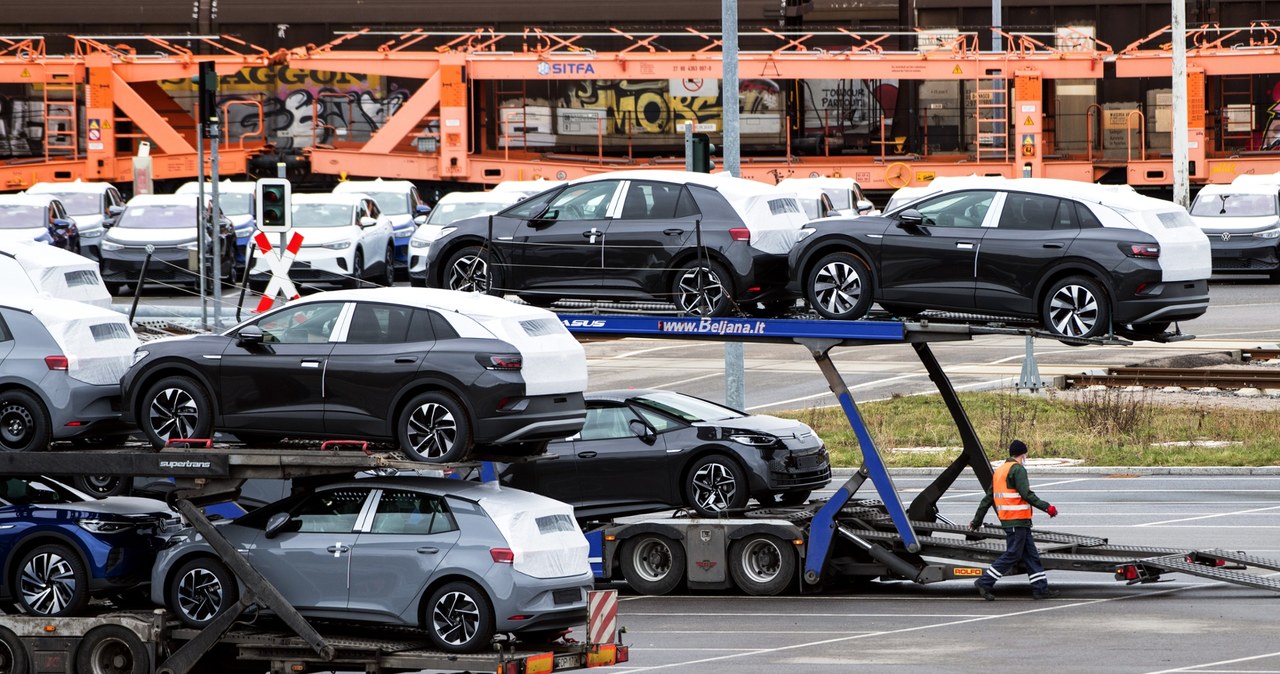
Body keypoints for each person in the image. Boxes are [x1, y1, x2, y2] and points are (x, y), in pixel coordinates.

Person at [969, 439, 1061, 601]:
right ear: (1023, 454)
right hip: (1016, 521)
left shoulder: (1000, 471)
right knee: (1013, 554)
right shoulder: (1017, 470)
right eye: (1026, 454)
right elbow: (1026, 494)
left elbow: (987, 499)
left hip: (1017, 522)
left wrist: (976, 521)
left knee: (1031, 555)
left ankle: (1040, 589)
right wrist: (1047, 507)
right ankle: (984, 582)